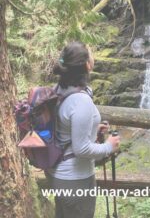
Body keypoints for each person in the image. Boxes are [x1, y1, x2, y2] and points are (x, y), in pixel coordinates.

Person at [46, 41, 120, 218]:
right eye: (90, 53)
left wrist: (93, 128)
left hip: (58, 173)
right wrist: (109, 146)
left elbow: (65, 127)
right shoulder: (81, 100)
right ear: (87, 64)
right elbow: (82, 149)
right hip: (75, 180)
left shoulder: (58, 89)